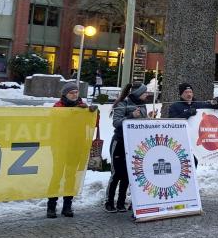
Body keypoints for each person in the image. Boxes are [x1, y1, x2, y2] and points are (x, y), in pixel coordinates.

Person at [47, 82, 99, 218]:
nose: (75, 95)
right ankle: (51, 206)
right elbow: (53, 121)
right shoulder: (58, 107)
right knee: (57, 175)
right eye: (72, 93)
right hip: (60, 146)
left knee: (71, 176)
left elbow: (93, 124)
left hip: (75, 146)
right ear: (65, 94)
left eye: (76, 92)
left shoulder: (82, 107)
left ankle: (67, 206)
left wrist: (93, 112)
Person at [107, 82, 151, 212]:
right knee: (116, 174)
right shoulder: (123, 103)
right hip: (120, 142)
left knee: (127, 174)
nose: (147, 94)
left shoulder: (142, 105)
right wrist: (131, 116)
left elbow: (141, 123)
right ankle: (109, 202)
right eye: (144, 92)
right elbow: (116, 123)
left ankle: (121, 202)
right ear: (138, 94)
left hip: (134, 143)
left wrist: (149, 118)